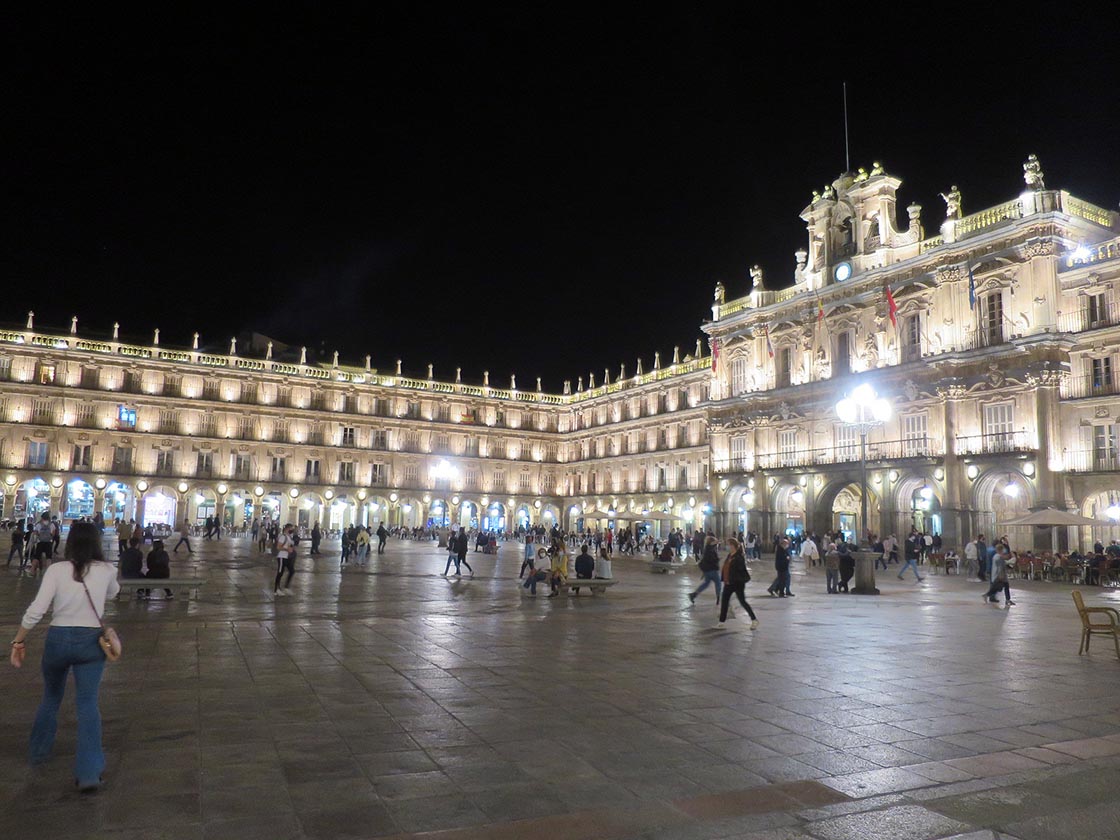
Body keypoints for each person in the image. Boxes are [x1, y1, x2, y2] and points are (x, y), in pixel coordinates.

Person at [9, 521, 121, 792]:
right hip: (91, 642)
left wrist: (19, 640)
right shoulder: (107, 569)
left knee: (51, 696)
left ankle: (38, 751)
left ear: (69, 542)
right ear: (96, 542)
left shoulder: (57, 570)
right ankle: (89, 774)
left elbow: (37, 608)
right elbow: (113, 593)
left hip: (58, 638)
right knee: (87, 703)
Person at [717, 538, 758, 629]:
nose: (727, 546)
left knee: (742, 602)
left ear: (733, 546)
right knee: (724, 601)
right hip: (728, 582)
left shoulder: (739, 557)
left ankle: (754, 620)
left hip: (737, 583)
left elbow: (740, 570)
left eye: (729, 544)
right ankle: (721, 622)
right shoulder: (730, 555)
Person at [688, 535, 723, 605]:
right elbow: (711, 559)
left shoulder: (707, 548)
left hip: (707, 570)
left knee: (706, 584)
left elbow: (714, 543)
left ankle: (694, 594)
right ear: (711, 542)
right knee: (718, 583)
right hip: (712, 570)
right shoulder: (709, 549)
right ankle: (719, 598)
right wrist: (718, 559)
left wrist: (718, 542)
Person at [274, 524, 296, 597]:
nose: (292, 530)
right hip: (281, 557)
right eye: (291, 529)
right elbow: (278, 547)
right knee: (280, 572)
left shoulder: (289, 537)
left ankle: (286, 587)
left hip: (288, 557)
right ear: (287, 529)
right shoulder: (282, 537)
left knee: (292, 571)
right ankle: (276, 589)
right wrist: (287, 549)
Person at [30, 512, 55, 576]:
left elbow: (35, 533)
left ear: (42, 517)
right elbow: (53, 534)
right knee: (48, 558)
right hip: (48, 542)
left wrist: (40, 536)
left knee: (37, 557)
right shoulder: (52, 525)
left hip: (40, 542)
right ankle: (48, 572)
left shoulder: (39, 524)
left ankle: (32, 570)